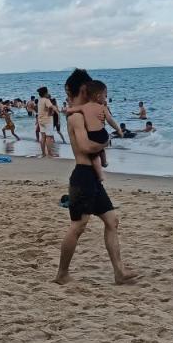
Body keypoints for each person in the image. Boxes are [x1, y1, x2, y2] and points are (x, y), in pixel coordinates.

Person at [55, 69, 138, 286]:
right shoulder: (76, 117)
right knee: (78, 225)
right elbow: (86, 146)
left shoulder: (85, 114)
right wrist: (106, 141)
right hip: (82, 176)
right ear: (84, 89)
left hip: (92, 177)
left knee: (112, 221)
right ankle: (62, 274)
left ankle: (119, 272)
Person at [37, 86, 57, 156]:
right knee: (49, 137)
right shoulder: (46, 100)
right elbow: (50, 107)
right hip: (47, 120)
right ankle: (50, 153)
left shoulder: (40, 100)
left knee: (43, 137)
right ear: (45, 93)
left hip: (41, 120)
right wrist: (50, 113)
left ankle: (43, 153)